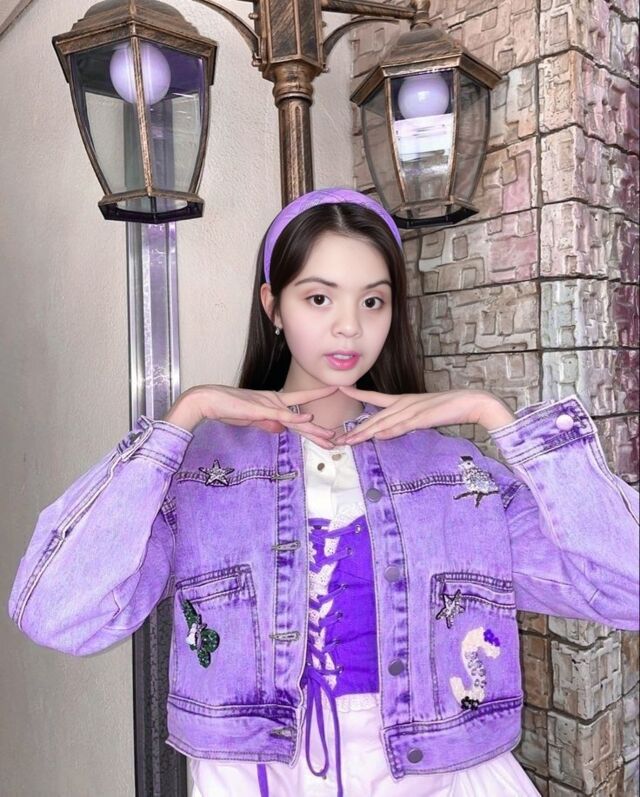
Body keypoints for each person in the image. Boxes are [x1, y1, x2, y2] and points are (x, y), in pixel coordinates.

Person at [7, 187, 639, 797]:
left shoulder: (457, 474)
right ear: (273, 305)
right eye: (318, 298)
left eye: (373, 302)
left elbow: (627, 587)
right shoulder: (201, 474)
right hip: (255, 776)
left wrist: (494, 415)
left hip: (440, 775)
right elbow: (57, 614)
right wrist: (183, 417)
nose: (348, 328)